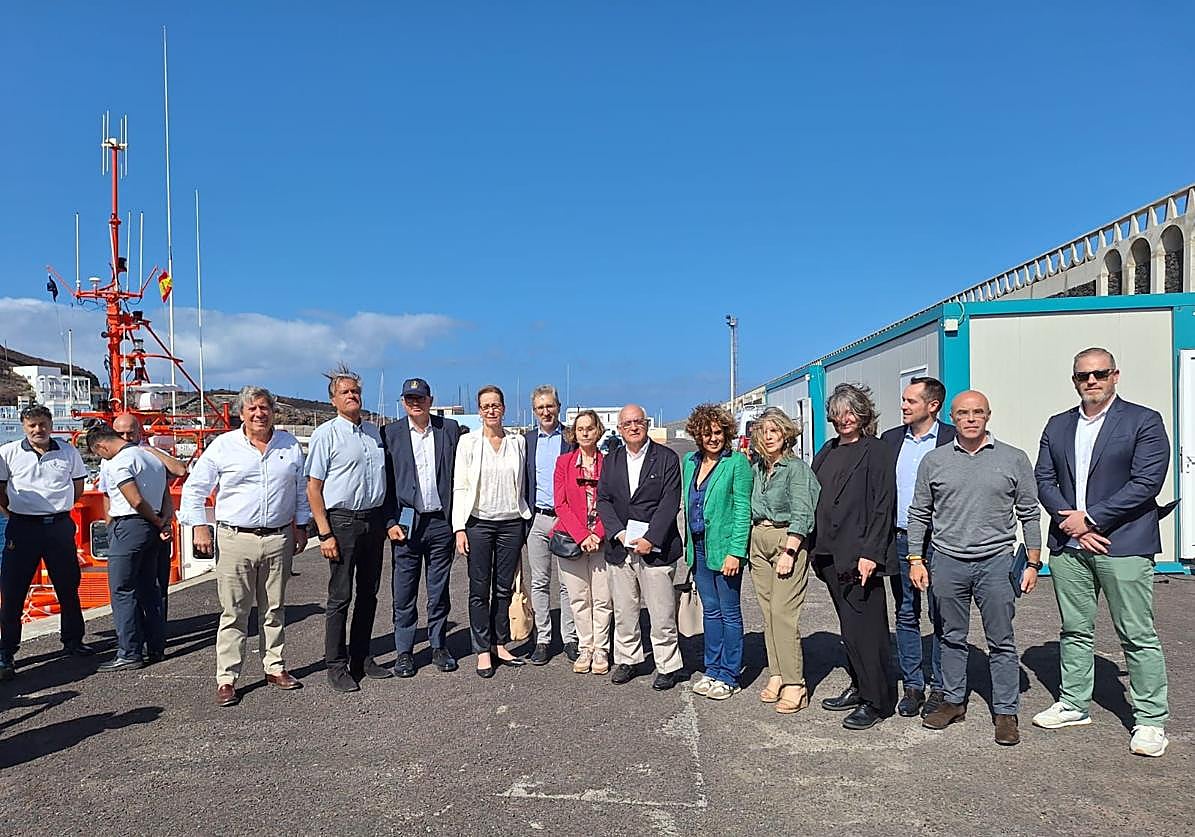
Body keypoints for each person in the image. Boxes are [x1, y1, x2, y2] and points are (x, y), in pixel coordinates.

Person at [1032, 348, 1172, 758]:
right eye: (1082, 376)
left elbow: (1146, 482)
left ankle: (1150, 720)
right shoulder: (1058, 425)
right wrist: (1068, 522)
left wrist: (1090, 519)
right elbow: (1044, 478)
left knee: (1137, 633)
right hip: (1069, 546)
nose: (1091, 381)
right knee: (1074, 629)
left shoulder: (1143, 421)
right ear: (1074, 380)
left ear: (1115, 375)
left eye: (1099, 374)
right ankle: (1074, 704)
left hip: (1122, 543)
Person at [908, 390, 1041, 746]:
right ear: (952, 417)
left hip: (996, 564)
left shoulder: (1013, 459)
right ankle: (953, 701)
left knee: (1001, 641)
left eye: (977, 412)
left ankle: (1006, 712)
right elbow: (919, 513)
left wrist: (1032, 561)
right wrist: (916, 559)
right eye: (963, 413)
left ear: (988, 415)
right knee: (951, 637)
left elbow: (1029, 511)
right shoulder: (934, 461)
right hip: (947, 562)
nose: (970, 418)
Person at [180, 386, 310, 707]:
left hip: (278, 536)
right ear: (242, 413)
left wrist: (302, 525)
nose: (259, 413)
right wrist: (199, 525)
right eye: (252, 408)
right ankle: (227, 677)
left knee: (275, 607)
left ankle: (275, 667)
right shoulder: (223, 447)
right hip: (235, 537)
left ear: (273, 411)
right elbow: (195, 487)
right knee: (234, 611)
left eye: (264, 407)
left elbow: (300, 491)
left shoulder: (289, 445)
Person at [810, 384, 896, 730]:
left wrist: (871, 553)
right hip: (829, 553)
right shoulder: (827, 450)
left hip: (860, 556)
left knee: (868, 629)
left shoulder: (876, 450)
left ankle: (878, 700)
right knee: (849, 628)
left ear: (863, 415)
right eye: (838, 413)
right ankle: (860, 686)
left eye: (851, 412)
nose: (844, 419)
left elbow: (882, 504)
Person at [306, 365, 391, 693]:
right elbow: (314, 488)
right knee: (340, 596)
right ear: (333, 400)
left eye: (355, 391)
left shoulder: (373, 433)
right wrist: (324, 532)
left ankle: (362, 657)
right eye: (345, 392)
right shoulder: (325, 435)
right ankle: (336, 665)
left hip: (372, 521)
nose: (352, 396)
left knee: (369, 594)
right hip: (342, 522)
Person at [0, 405, 96, 679]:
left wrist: (60, 508)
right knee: (13, 591)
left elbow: (77, 485)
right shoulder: (8, 453)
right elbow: (0, 490)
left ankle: (73, 641)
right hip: (23, 528)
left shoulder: (68, 451)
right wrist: (15, 513)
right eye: (32, 425)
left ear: (50, 424)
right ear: (23, 427)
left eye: (42, 424)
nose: (38, 430)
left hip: (58, 527)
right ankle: (6, 652)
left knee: (68, 586)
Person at [879, 376, 955, 718]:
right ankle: (913, 684)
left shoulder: (953, 440)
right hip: (901, 538)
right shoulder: (891, 439)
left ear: (933, 405)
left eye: (911, 401)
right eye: (904, 400)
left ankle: (941, 685)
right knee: (907, 612)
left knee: (942, 613)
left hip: (941, 541)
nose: (903, 406)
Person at [596, 404, 685, 691]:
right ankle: (628, 659)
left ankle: (667, 665)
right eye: (627, 424)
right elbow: (604, 500)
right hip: (621, 548)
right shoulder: (611, 460)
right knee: (625, 611)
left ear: (646, 424)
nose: (633, 427)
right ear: (619, 429)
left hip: (656, 549)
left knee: (661, 613)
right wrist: (619, 533)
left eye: (638, 422)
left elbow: (670, 501)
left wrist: (651, 538)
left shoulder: (667, 458)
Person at [382, 377, 463, 677]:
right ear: (403, 402)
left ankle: (439, 645)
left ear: (430, 401)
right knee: (404, 592)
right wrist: (389, 521)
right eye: (409, 399)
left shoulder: (449, 430)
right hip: (406, 525)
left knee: (438, 590)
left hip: (441, 522)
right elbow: (385, 484)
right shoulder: (390, 434)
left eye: (420, 398)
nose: (415, 403)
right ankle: (404, 651)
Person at [452, 386, 531, 678]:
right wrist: (459, 527)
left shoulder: (517, 442)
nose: (491, 410)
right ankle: (482, 649)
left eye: (496, 405)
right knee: (478, 588)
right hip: (479, 523)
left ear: (504, 408)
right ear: (479, 410)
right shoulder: (468, 443)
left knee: (503, 588)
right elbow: (460, 486)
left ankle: (499, 643)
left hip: (511, 522)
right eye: (485, 406)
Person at [748, 407, 821, 714]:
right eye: (764, 431)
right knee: (767, 613)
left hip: (785, 540)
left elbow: (804, 511)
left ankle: (795, 684)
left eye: (775, 430)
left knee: (782, 613)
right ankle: (777, 673)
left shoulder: (796, 469)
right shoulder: (757, 469)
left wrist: (790, 551)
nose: (769, 436)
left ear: (786, 434)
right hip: (758, 540)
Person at [86, 424, 172, 671]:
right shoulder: (149, 456)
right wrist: (161, 521)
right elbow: (165, 493)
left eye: (98, 453)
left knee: (122, 590)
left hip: (131, 525)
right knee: (149, 589)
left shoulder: (118, 463)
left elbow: (133, 499)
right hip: (152, 527)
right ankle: (156, 647)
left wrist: (153, 520)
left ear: (101, 446)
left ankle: (129, 652)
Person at [682, 404, 752, 701]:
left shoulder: (736, 463)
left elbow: (742, 510)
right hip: (698, 547)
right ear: (697, 435)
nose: (712, 438)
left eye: (718, 432)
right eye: (706, 433)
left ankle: (729, 674)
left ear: (727, 432)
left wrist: (736, 552)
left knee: (729, 612)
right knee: (710, 612)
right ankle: (712, 669)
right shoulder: (690, 461)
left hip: (725, 549)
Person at [105, 412, 187, 624]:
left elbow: (179, 469)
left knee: (155, 585)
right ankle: (141, 635)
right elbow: (107, 496)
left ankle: (156, 632)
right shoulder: (109, 460)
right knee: (129, 586)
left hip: (155, 525)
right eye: (120, 433)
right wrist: (109, 529)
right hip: (125, 525)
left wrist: (148, 449)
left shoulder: (150, 454)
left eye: (130, 432)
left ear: (139, 432)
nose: (125, 437)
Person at [552, 409, 612, 675]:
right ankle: (585, 645)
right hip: (571, 538)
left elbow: (614, 503)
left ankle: (602, 647)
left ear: (598, 430)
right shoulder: (563, 463)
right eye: (580, 429)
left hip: (601, 540)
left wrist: (597, 534)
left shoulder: (609, 463)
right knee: (578, 597)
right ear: (573, 434)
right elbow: (560, 504)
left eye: (589, 427)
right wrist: (582, 535)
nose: (585, 432)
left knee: (601, 597)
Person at [523, 385, 577, 665]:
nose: (546, 411)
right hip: (538, 519)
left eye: (550, 406)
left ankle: (570, 637)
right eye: (540, 407)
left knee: (568, 583)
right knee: (540, 582)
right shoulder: (527, 440)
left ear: (558, 407)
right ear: (534, 411)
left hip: (566, 519)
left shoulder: (570, 438)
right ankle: (543, 638)